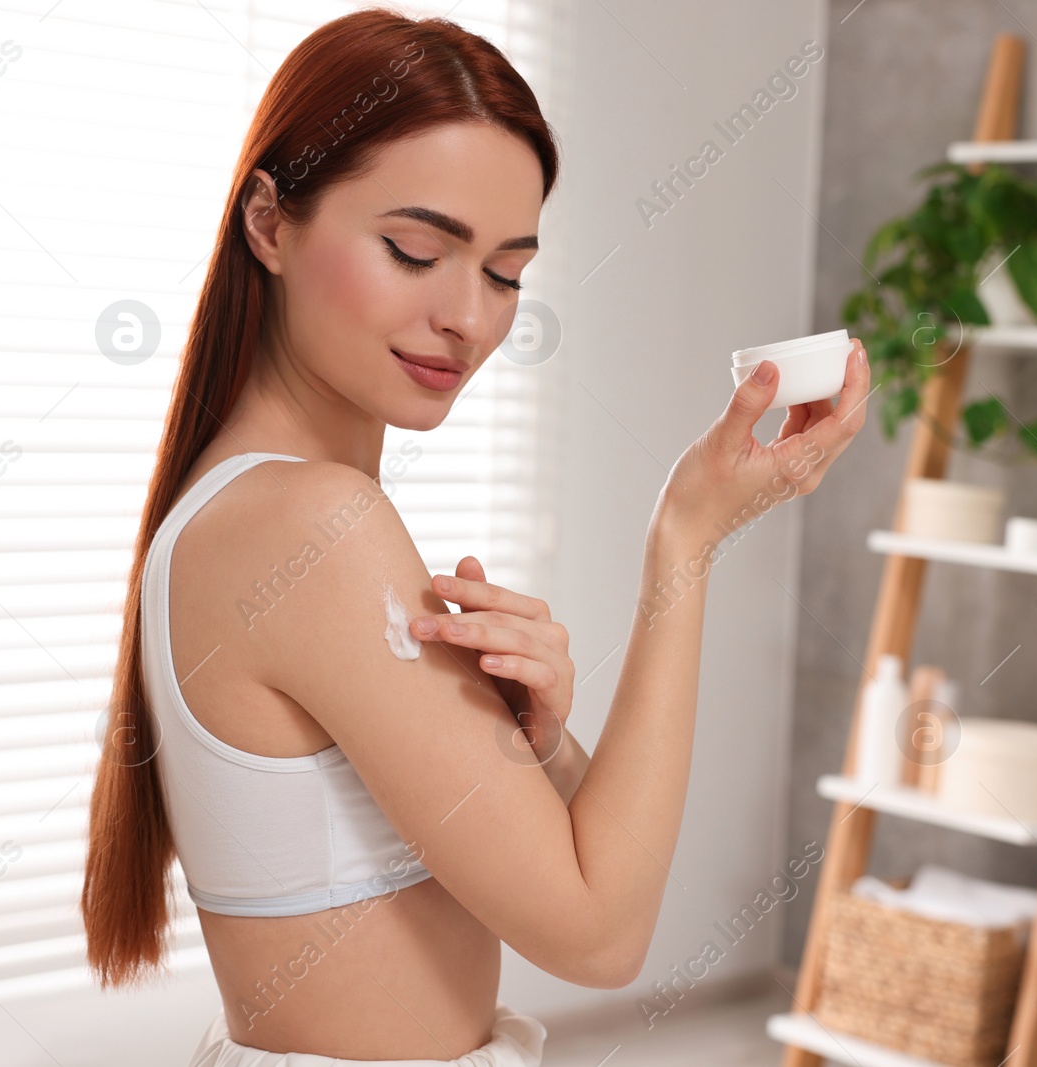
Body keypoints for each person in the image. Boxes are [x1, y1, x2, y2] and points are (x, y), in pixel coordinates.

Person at [79, 9, 869, 1066]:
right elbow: (602, 935)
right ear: (268, 223)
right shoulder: (309, 524)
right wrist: (684, 539)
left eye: (506, 274)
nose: (469, 315)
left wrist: (537, 741)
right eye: (416, 250)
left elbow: (595, 862)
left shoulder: (252, 511)